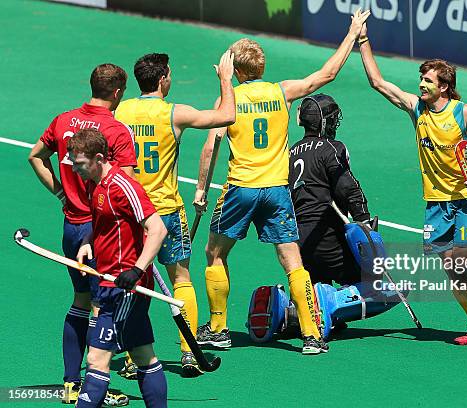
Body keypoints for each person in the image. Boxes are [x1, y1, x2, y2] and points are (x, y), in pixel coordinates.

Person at [193, 9, 371, 355]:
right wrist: (351, 33)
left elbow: (211, 144)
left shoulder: (229, 99)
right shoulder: (282, 92)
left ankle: (217, 328)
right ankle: (311, 335)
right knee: (293, 261)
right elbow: (328, 73)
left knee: (214, 254)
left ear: (236, 70)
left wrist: (201, 189)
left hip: (241, 188)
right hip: (277, 191)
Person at [358, 23, 467, 345]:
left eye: (428, 80)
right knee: (453, 269)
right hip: (435, 204)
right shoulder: (417, 110)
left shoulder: (464, 113)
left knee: (461, 260)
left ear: (445, 87)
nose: (421, 85)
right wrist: (362, 40)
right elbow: (378, 83)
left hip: (466, 201)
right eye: (422, 79)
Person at [114, 50, 235, 376]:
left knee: (135, 282)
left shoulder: (121, 110)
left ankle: (129, 358)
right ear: (163, 79)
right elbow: (226, 116)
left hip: (132, 213)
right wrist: (226, 78)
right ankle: (189, 353)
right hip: (166, 212)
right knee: (181, 280)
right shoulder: (174, 113)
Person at [246, 93, 400, 343]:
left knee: (313, 285)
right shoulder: (332, 148)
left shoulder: (289, 152)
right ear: (326, 123)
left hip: (298, 242)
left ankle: (289, 312)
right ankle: (329, 306)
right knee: (384, 288)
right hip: (329, 240)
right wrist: (364, 221)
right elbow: (348, 189)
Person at [28, 63, 135, 404]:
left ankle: (71, 384)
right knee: (105, 309)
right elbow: (127, 184)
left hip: (71, 228)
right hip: (100, 233)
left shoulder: (64, 120)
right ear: (117, 92)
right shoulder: (116, 130)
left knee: (80, 302)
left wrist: (61, 192)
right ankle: (95, 388)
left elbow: (35, 156)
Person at [67, 129, 168, 407]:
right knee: (143, 354)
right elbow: (104, 222)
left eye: (80, 164)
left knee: (96, 358)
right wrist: (89, 242)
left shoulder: (124, 186)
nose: (75, 170)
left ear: (99, 158)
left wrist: (136, 270)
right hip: (109, 280)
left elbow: (157, 229)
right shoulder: (94, 182)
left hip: (125, 287)